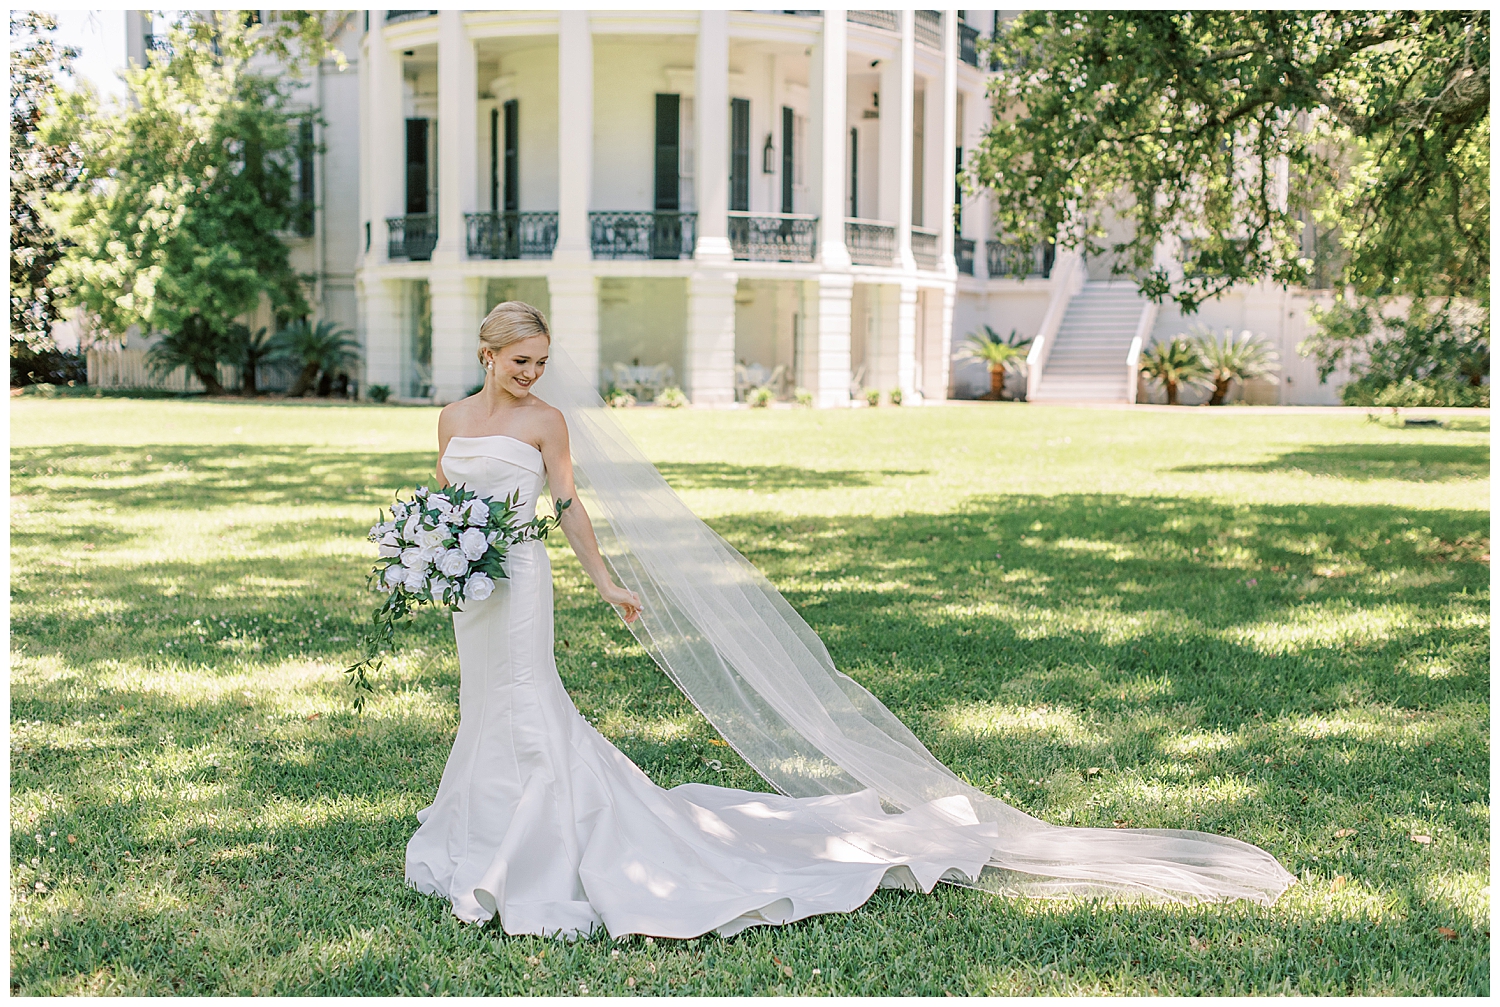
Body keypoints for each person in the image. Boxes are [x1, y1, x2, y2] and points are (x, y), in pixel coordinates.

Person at [404, 301, 1295, 940]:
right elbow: (445, 505)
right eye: (521, 362)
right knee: (482, 703)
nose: (532, 376)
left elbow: (567, 505)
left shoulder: (549, 422)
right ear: (489, 354)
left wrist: (603, 580)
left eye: (542, 364)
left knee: (528, 697)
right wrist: (428, 555)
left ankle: (535, 840)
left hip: (525, 582)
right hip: (472, 589)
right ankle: (479, 826)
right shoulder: (448, 419)